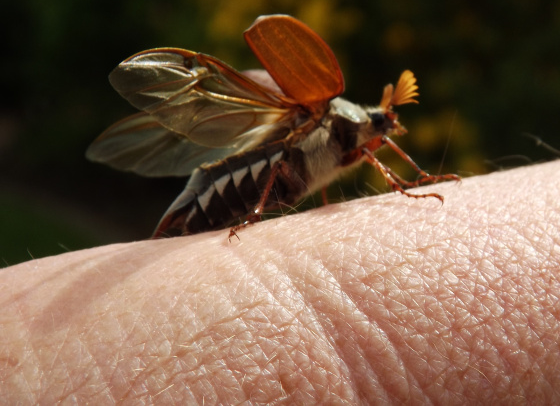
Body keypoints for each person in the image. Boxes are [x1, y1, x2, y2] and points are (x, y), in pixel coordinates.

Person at [2, 160, 559, 403]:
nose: (381, 139)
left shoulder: (346, 137)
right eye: (379, 129)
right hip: (224, 188)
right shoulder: (330, 126)